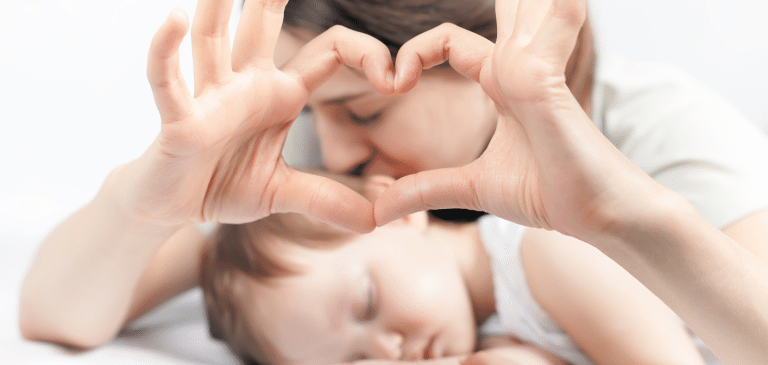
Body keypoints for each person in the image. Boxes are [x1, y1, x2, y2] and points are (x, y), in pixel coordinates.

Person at [18, 0, 768, 363]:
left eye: (365, 108)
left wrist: (612, 213)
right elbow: (58, 314)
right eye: (314, 108)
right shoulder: (323, 162)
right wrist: (146, 198)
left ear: (477, 49)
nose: (335, 148)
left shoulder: (661, 132)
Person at [200, 175, 709, 365]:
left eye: (367, 303)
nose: (386, 352)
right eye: (354, 363)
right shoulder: (481, 336)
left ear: (395, 210)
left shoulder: (546, 253)